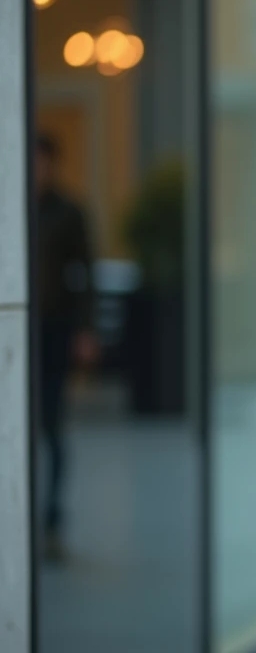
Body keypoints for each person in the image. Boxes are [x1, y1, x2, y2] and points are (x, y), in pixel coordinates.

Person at [33, 133, 99, 560]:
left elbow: (85, 273)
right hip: (18, 333)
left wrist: (85, 330)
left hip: (55, 329)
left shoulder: (68, 211)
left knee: (52, 426)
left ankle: (52, 520)